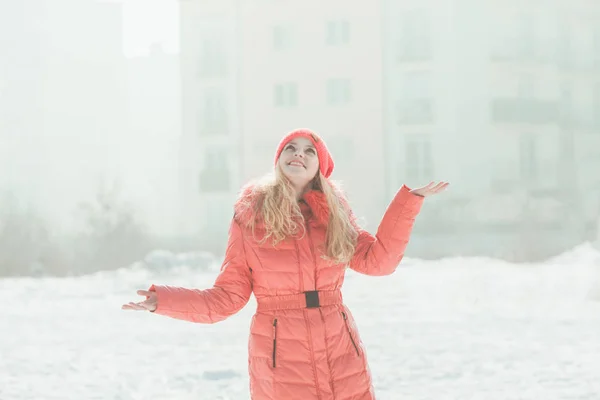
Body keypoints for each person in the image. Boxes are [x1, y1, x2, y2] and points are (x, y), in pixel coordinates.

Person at [122, 128, 448, 400]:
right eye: (290, 148)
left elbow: (379, 262)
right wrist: (162, 301)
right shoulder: (251, 216)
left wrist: (409, 202)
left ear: (320, 166)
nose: (299, 154)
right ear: (278, 161)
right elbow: (225, 299)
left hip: (340, 351)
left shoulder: (335, 215)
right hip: (281, 359)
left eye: (310, 151)